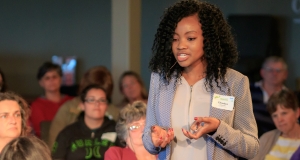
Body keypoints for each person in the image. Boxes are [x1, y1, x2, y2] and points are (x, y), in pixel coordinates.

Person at [142, 1, 259, 160]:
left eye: (190, 38)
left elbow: (252, 149)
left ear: (209, 40)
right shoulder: (160, 79)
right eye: (175, 39)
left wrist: (218, 129)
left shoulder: (235, 82)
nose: (180, 45)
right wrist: (155, 140)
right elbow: (148, 140)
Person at [48, 66, 119, 148]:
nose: (97, 103)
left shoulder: (114, 112)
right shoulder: (67, 109)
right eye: (92, 98)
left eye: (102, 98)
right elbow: (53, 145)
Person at [52, 84, 118, 160]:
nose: (97, 104)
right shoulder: (67, 133)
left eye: (102, 100)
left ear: (107, 106)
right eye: (91, 100)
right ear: (82, 105)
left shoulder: (118, 131)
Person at [251, 90, 300, 160]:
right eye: (275, 116)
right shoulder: (267, 138)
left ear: (297, 113)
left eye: (284, 113)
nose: (280, 120)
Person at [29, 62, 73, 138]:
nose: (51, 80)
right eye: (47, 78)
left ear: (61, 79)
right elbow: (42, 132)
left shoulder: (72, 101)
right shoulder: (36, 106)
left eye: (54, 77)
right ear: (41, 83)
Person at [251, 56, 288, 137]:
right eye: (270, 70)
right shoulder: (248, 90)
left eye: (278, 70)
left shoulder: (290, 97)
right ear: (262, 72)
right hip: (251, 141)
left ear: (285, 74)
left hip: (280, 143)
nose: (274, 74)